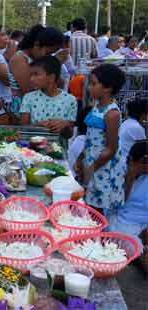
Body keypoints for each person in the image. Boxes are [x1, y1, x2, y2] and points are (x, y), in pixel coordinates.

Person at [75, 64, 126, 214]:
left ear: (108, 88)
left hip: (103, 165)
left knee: (96, 207)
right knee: (88, 203)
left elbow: (111, 148)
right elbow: (90, 138)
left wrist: (92, 168)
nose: (89, 87)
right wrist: (81, 157)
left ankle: (98, 235)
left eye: (93, 83)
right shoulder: (96, 106)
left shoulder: (112, 114)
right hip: (91, 159)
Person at [8, 25, 65, 118]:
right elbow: (29, 90)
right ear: (37, 44)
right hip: (22, 112)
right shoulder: (20, 59)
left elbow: (59, 84)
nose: (48, 57)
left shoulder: (37, 60)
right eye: (47, 53)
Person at [20, 56, 77, 137]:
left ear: (51, 77)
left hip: (58, 148)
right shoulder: (28, 98)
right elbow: (23, 129)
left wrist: (64, 126)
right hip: (32, 148)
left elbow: (69, 134)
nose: (32, 79)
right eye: (31, 75)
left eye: (36, 74)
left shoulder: (70, 100)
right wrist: (37, 126)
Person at [109, 140, 148, 247]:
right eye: (144, 161)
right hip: (122, 221)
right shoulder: (118, 171)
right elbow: (117, 205)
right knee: (134, 246)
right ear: (131, 159)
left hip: (143, 222)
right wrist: (130, 176)